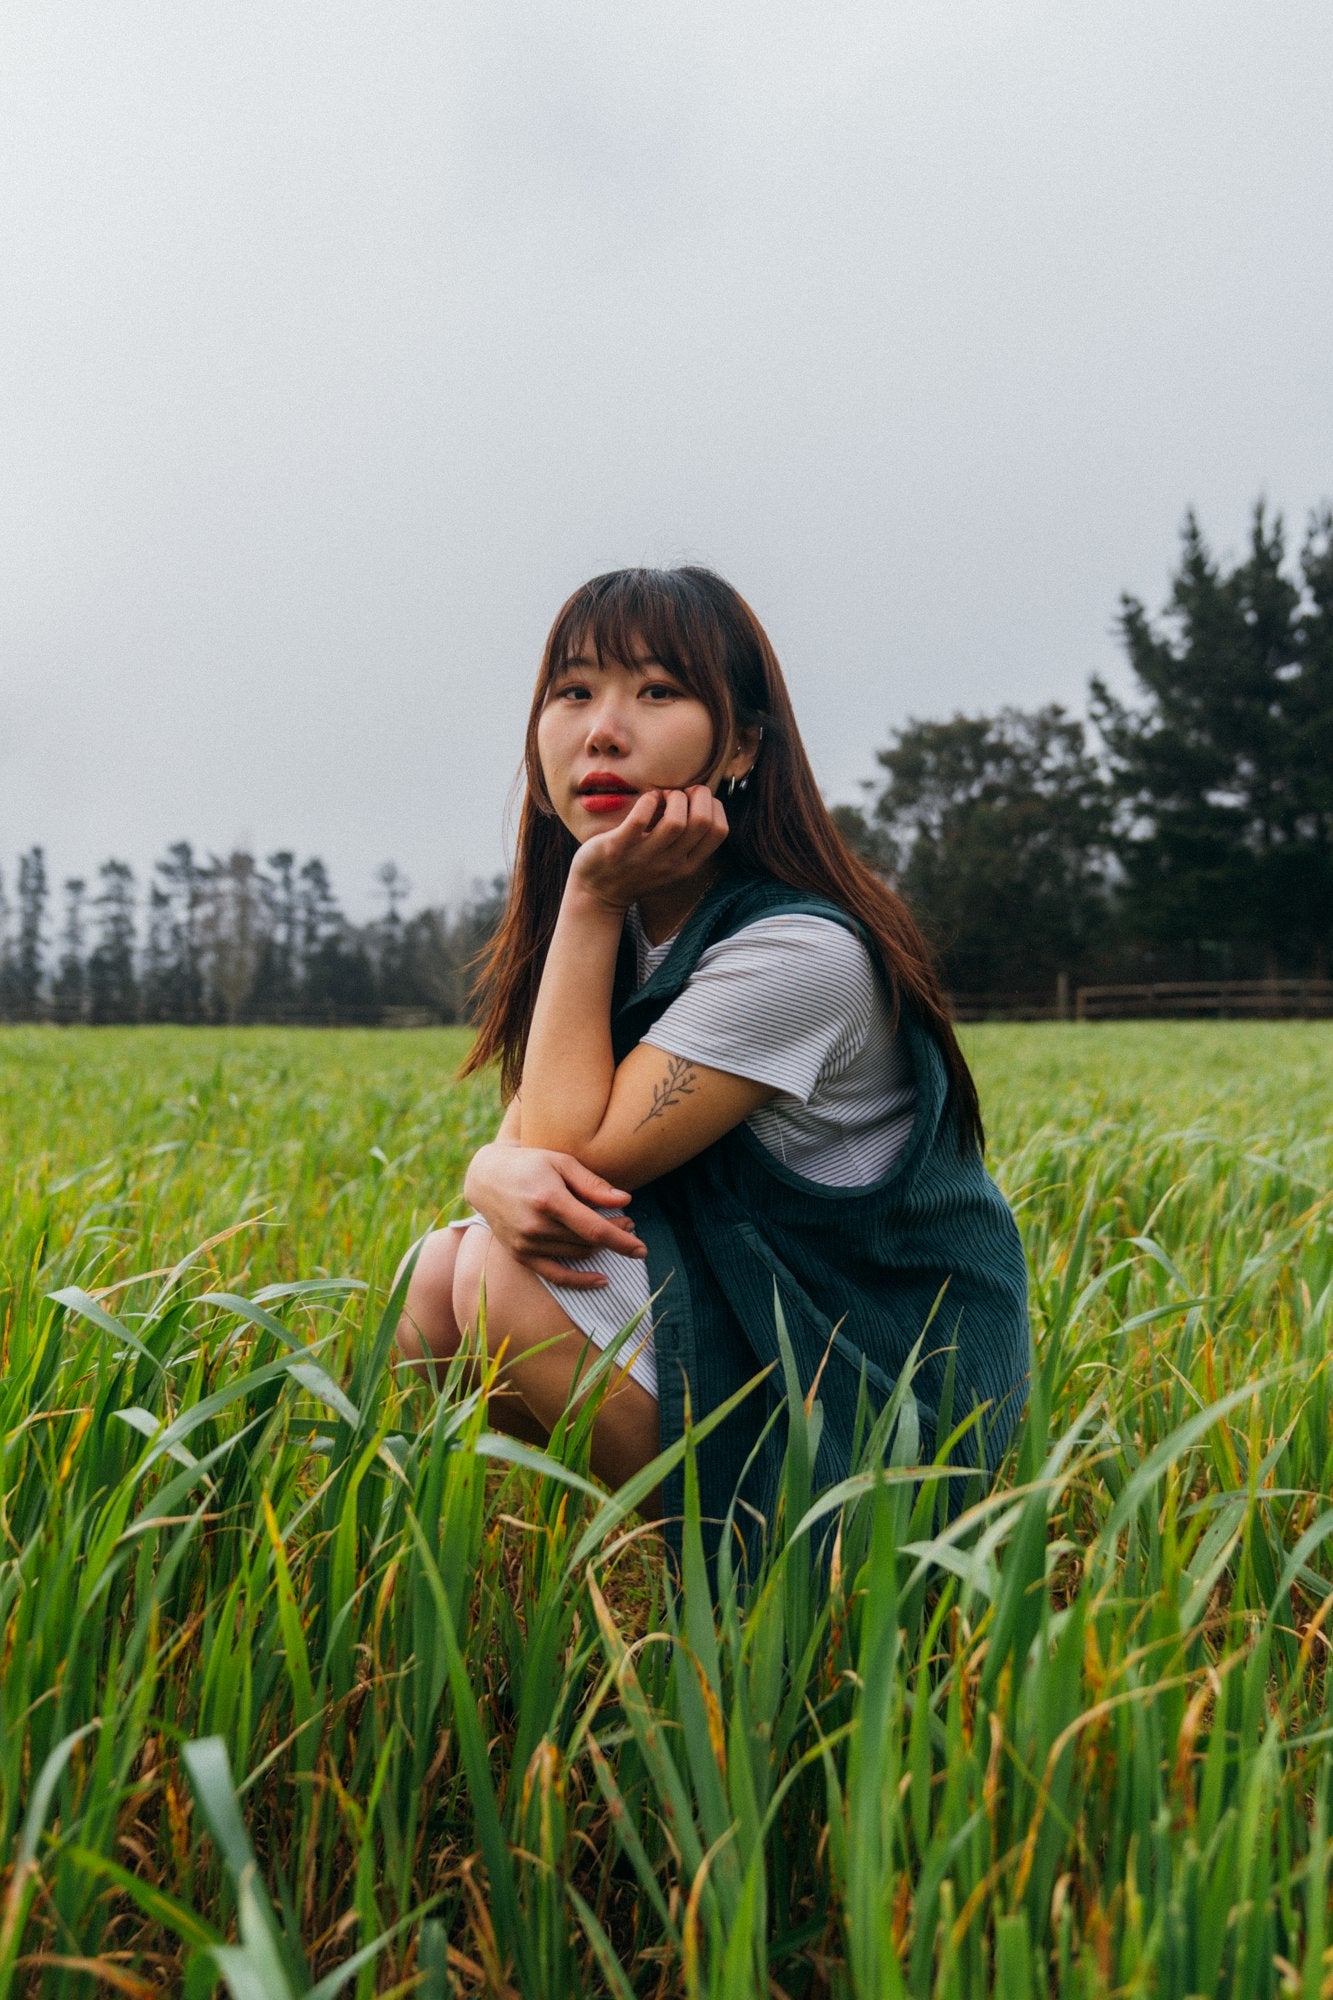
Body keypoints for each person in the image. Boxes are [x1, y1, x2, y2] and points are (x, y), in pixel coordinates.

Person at [396, 566, 1030, 1562]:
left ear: (738, 744)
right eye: (573, 691)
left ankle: (767, 1575)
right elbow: (521, 1156)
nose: (604, 729)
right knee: (433, 1280)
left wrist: (591, 899)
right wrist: (484, 1170)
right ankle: (605, 1555)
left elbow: (568, 1153)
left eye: (656, 691)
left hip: (879, 1390)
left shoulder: (799, 954)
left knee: (499, 1275)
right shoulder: (629, 923)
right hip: (762, 1313)